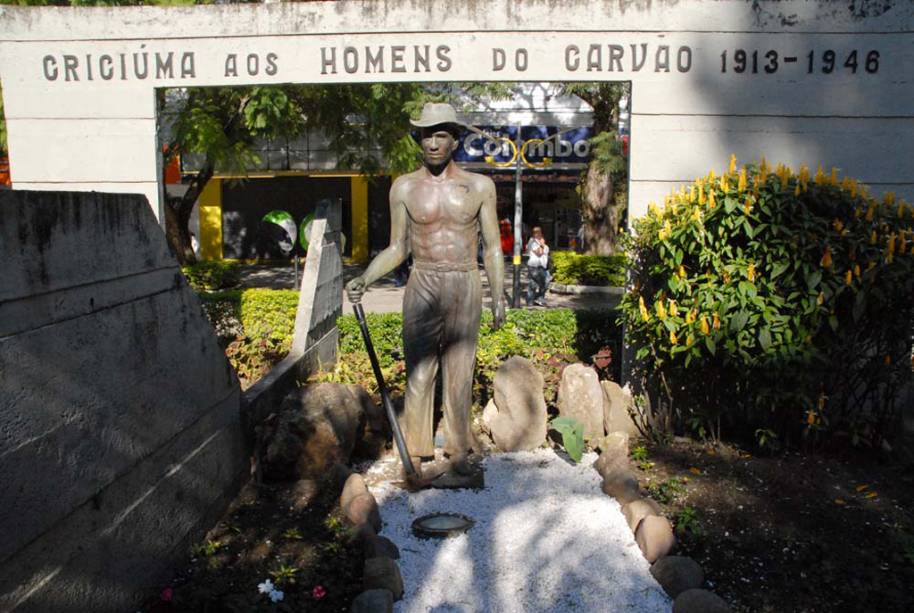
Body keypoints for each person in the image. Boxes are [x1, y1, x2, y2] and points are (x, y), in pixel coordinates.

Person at [345, 103, 505, 477]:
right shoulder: (403, 187)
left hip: (465, 280)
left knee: (460, 369)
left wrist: (498, 298)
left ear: (455, 140)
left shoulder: (480, 186)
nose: (432, 143)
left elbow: (493, 247)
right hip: (423, 279)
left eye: (441, 135)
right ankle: (416, 448)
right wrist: (365, 279)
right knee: (419, 369)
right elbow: (398, 247)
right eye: (426, 135)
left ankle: (458, 446)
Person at [526, 226, 550, 306]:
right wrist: (542, 244)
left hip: (542, 266)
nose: (538, 234)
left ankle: (531, 300)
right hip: (534, 266)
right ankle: (537, 299)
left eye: (539, 232)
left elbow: (545, 253)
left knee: (535, 282)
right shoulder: (532, 242)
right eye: (535, 232)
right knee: (543, 282)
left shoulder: (540, 242)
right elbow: (539, 253)